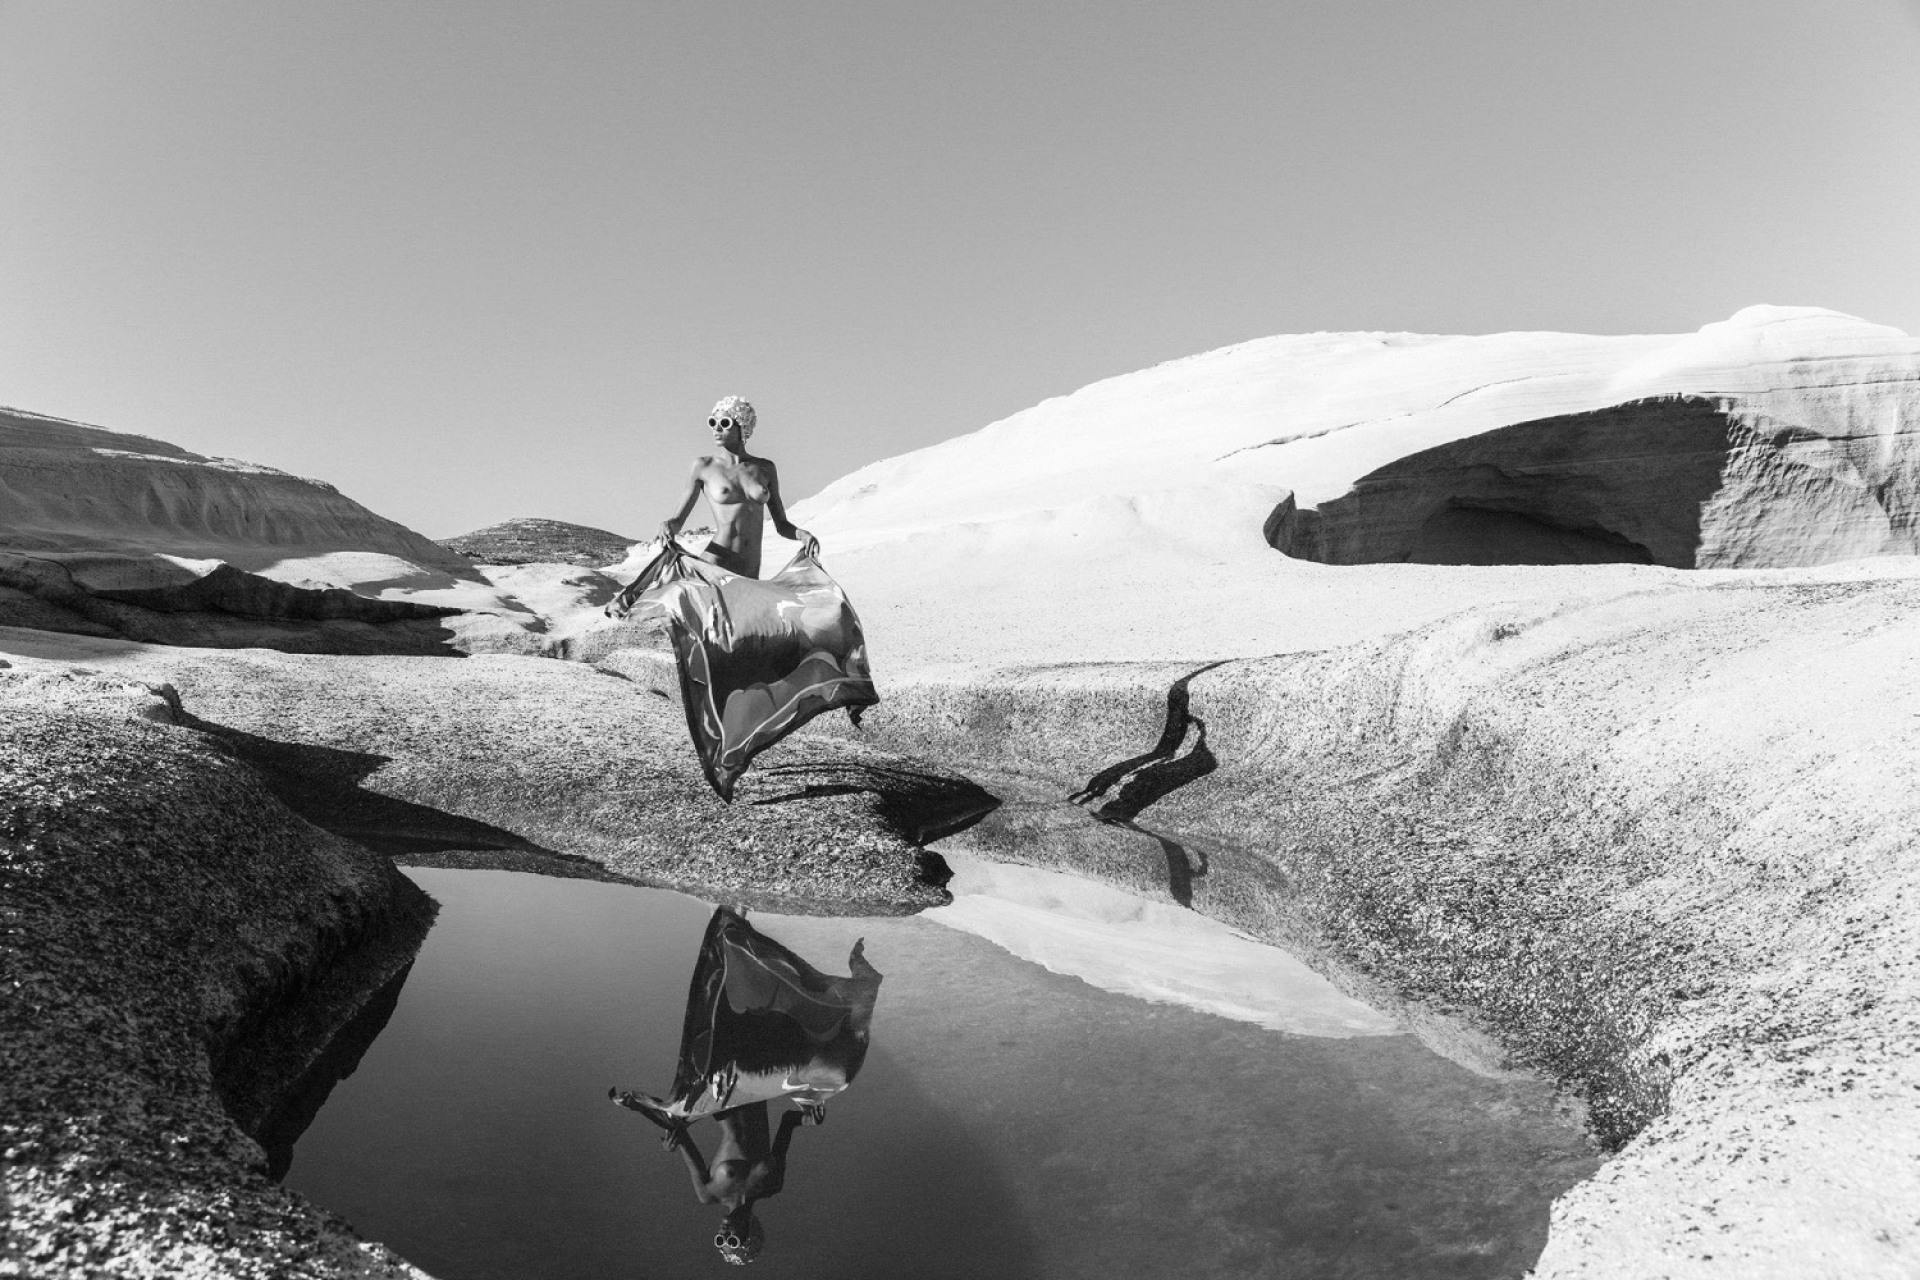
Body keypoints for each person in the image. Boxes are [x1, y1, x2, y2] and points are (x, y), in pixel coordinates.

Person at [658, 396, 815, 580]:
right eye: (712, 422)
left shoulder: (765, 468)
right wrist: (667, 525)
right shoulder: (703, 467)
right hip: (715, 567)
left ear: (742, 426)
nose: (716, 429)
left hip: (750, 572)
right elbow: (677, 521)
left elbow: (781, 524)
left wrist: (802, 534)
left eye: (724, 423)